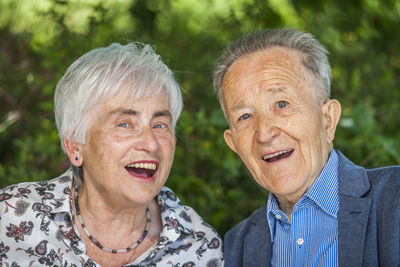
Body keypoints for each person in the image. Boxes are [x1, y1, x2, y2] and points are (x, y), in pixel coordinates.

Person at [0, 42, 223, 266]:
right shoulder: (12, 217)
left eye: (160, 125)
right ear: (75, 146)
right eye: (125, 124)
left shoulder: (199, 245)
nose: (151, 144)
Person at [213, 28, 400, 266]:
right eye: (245, 116)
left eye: (281, 103)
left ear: (327, 120)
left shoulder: (395, 202)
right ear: (233, 144)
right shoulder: (235, 247)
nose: (264, 133)